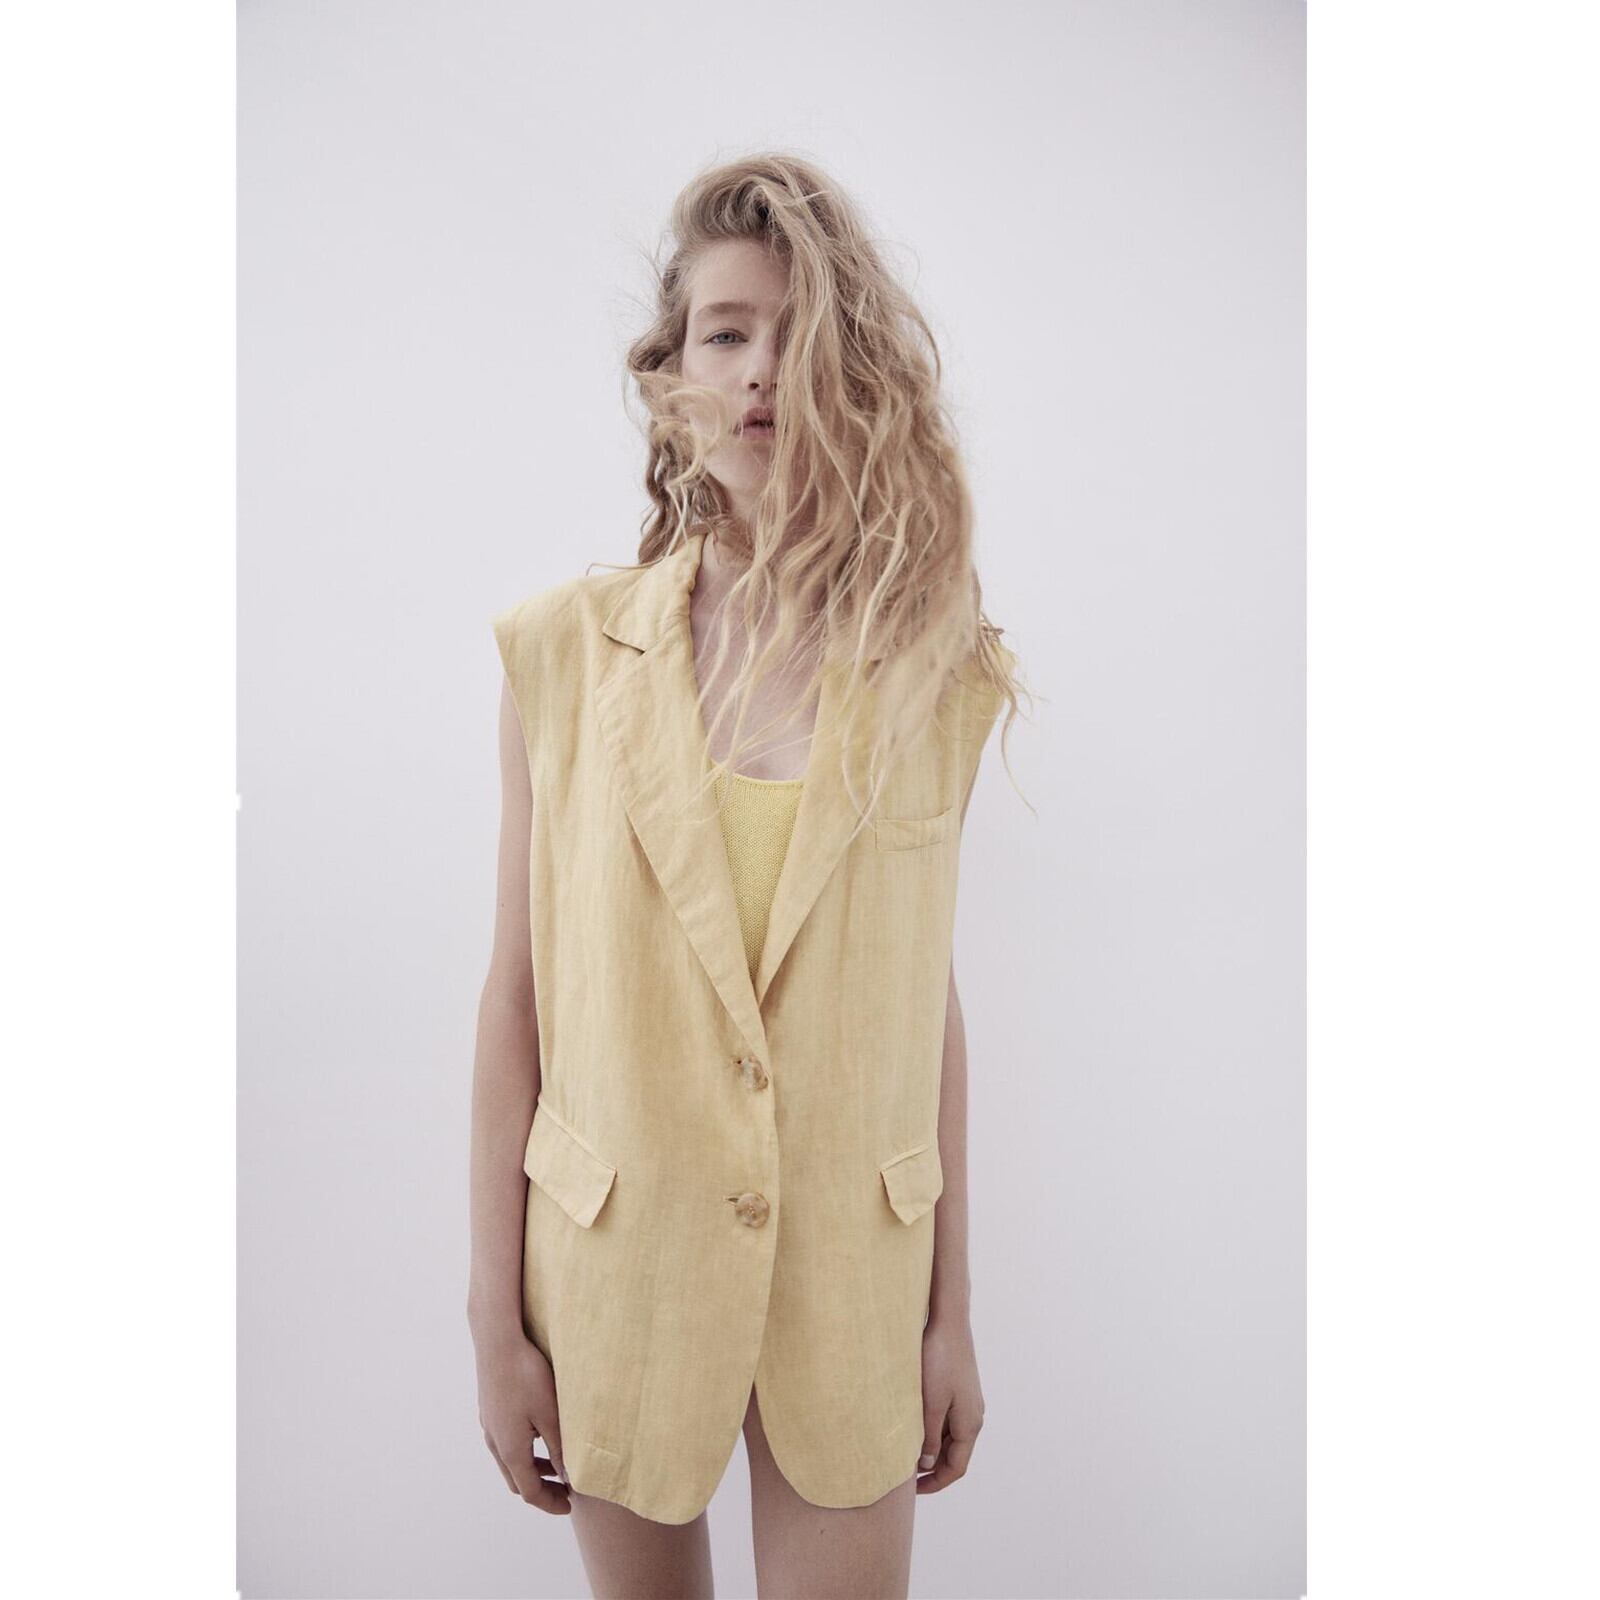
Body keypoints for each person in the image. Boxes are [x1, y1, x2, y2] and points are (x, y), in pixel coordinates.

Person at [468, 153, 1026, 1600]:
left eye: (800, 333)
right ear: (671, 378)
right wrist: (491, 1320)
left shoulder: (936, 673)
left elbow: (925, 1003)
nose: (763, 369)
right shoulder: (561, 655)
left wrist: (953, 1310)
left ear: (856, 373)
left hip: (854, 1279)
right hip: (612, 1266)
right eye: (726, 332)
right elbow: (517, 998)